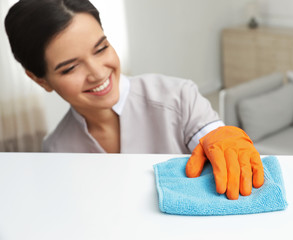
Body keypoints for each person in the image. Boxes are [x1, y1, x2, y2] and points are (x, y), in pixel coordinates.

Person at [5, 0, 264, 200]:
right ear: (41, 80)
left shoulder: (178, 97)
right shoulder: (57, 150)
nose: (97, 73)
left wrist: (222, 137)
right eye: (70, 68)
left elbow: (214, 138)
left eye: (101, 48)